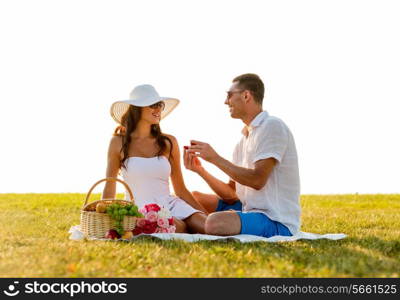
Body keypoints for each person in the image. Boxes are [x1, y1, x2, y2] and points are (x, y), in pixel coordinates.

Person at [184, 73, 301, 238]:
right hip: (249, 211)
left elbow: (257, 180)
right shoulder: (243, 140)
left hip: (275, 221)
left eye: (229, 95)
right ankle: (198, 224)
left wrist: (215, 158)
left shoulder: (272, 126)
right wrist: (201, 170)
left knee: (214, 222)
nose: (226, 101)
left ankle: (197, 225)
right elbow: (231, 194)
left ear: (246, 95)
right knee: (194, 198)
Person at [102, 84, 207, 233]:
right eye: (153, 105)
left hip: (172, 205)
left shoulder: (168, 142)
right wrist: (102, 215)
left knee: (210, 226)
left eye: (160, 105)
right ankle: (178, 226)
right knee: (175, 226)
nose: (158, 110)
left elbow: (180, 189)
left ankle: (188, 224)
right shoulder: (118, 143)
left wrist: (205, 215)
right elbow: (110, 185)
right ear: (137, 108)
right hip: (139, 211)